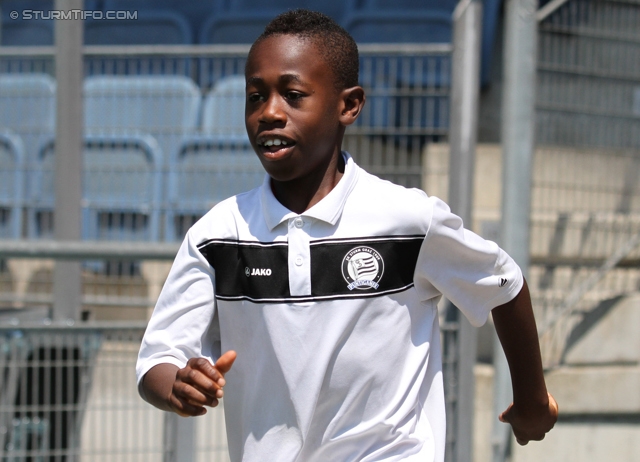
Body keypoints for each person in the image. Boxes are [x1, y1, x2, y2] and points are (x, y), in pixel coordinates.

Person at [136, 9, 558, 462]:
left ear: (349, 105)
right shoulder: (218, 236)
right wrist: (178, 385)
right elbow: (157, 360)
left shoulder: (407, 219)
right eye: (255, 97)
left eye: (293, 95)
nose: (270, 113)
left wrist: (531, 399)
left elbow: (503, 285)